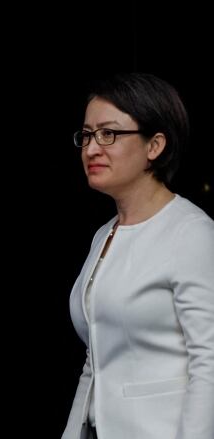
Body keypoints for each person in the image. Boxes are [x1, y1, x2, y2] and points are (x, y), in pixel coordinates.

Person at [61, 73, 214, 439]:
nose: (92, 148)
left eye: (109, 134)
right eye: (87, 135)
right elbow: (95, 361)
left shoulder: (192, 233)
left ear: (155, 145)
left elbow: (209, 364)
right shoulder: (105, 234)